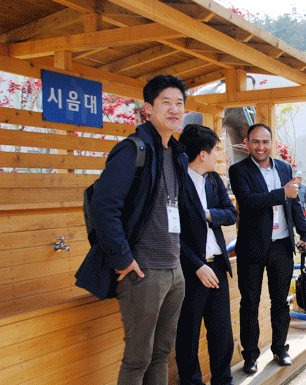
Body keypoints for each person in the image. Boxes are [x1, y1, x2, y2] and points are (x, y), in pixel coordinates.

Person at [75, 75, 189, 384]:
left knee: (162, 353)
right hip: (143, 272)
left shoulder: (176, 154)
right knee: (138, 359)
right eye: (165, 102)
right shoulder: (132, 150)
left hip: (173, 270)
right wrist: (123, 258)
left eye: (179, 103)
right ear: (148, 109)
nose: (174, 109)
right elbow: (103, 207)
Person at [229, 123, 306, 374]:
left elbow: (293, 202)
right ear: (247, 144)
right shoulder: (238, 170)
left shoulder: (285, 168)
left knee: (280, 302)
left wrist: (304, 233)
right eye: (255, 142)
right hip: (252, 248)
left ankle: (280, 349)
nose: (261, 147)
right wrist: (282, 193)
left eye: (265, 142)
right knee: (250, 304)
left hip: (282, 246)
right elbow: (249, 201)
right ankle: (251, 356)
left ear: (271, 143)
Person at [176, 125, 237, 385]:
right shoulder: (176, 182)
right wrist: (197, 266)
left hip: (218, 268)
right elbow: (171, 235)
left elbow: (231, 213)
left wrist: (209, 214)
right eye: (215, 150)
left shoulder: (214, 179)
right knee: (188, 336)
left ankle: (223, 381)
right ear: (202, 154)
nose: (217, 155)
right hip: (191, 272)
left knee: (222, 334)